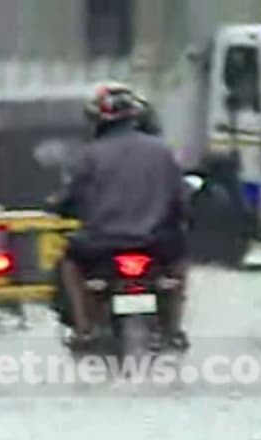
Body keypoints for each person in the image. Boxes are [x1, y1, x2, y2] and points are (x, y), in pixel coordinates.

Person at [53, 82, 189, 351]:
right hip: (155, 243)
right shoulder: (162, 152)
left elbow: (70, 198)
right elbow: (181, 200)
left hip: (101, 245)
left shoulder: (88, 156)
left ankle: (83, 328)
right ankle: (173, 327)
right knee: (180, 259)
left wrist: (61, 207)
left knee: (69, 262)